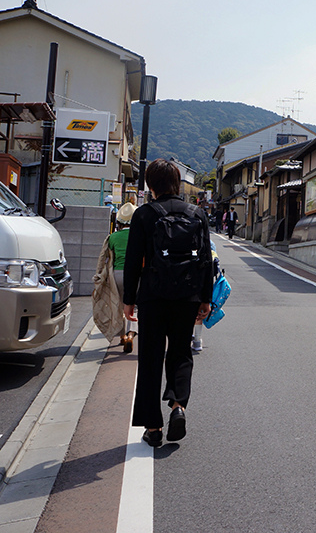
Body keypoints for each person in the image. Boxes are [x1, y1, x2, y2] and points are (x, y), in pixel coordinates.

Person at [122, 159, 214, 448]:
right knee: (180, 352)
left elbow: (133, 260)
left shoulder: (144, 215)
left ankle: (153, 427)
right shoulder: (197, 213)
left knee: (150, 358)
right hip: (187, 295)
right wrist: (206, 298)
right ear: (177, 183)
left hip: (152, 295)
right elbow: (206, 260)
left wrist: (129, 300)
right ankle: (178, 407)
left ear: (151, 185)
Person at [91, 202, 138, 353]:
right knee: (133, 307)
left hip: (117, 274)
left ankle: (122, 336)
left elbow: (102, 258)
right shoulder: (140, 235)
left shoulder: (113, 237)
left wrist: (98, 275)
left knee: (118, 306)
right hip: (137, 275)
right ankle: (131, 335)